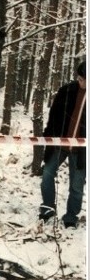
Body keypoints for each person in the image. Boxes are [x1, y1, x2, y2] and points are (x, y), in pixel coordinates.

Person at [39, 60, 86, 229]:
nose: (79, 81)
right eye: (79, 78)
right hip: (59, 144)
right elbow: (54, 116)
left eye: (83, 79)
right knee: (46, 175)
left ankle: (71, 217)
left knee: (77, 185)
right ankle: (47, 209)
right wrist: (48, 137)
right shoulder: (66, 91)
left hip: (81, 151)